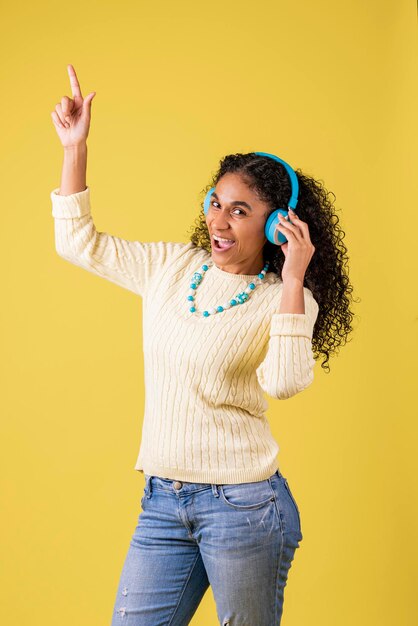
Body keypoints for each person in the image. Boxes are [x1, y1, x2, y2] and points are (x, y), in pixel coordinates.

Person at [50, 65, 354, 626]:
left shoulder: (284, 299)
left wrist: (292, 278)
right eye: (215, 202)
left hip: (243, 510)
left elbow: (285, 383)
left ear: (276, 225)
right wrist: (75, 148)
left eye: (239, 210)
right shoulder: (172, 266)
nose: (218, 219)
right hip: (163, 501)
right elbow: (77, 243)